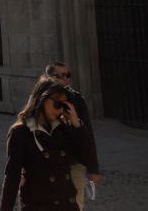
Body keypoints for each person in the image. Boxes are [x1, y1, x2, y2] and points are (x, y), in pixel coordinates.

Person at [0, 77, 90, 211]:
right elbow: (12, 178)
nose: (60, 111)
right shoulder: (20, 133)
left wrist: (77, 125)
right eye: (57, 104)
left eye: (64, 106)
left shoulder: (63, 129)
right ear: (41, 99)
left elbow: (85, 156)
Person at [45, 61, 102, 209]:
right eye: (60, 75)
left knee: (75, 205)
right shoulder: (40, 101)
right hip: (48, 165)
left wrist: (93, 169)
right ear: (48, 77)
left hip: (74, 163)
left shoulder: (76, 100)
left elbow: (88, 135)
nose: (65, 79)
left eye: (68, 75)